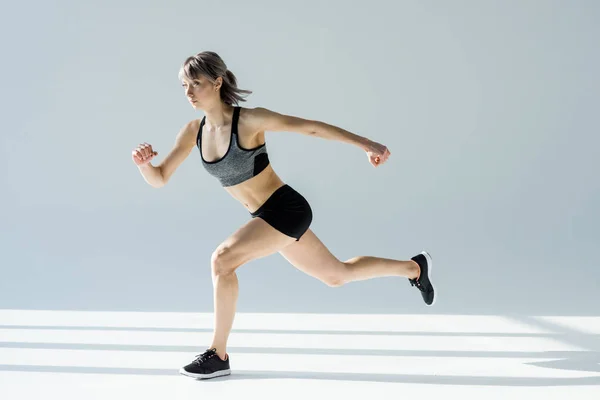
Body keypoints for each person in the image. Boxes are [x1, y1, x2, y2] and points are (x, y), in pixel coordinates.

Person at [132, 51, 436, 380]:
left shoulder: (248, 121)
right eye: (183, 85)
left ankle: (217, 355)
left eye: (196, 84)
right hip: (264, 218)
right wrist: (144, 165)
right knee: (336, 274)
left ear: (217, 83)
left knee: (223, 260)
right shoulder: (193, 130)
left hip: (285, 209)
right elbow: (160, 178)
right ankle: (415, 267)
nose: (189, 92)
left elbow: (311, 129)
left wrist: (366, 144)